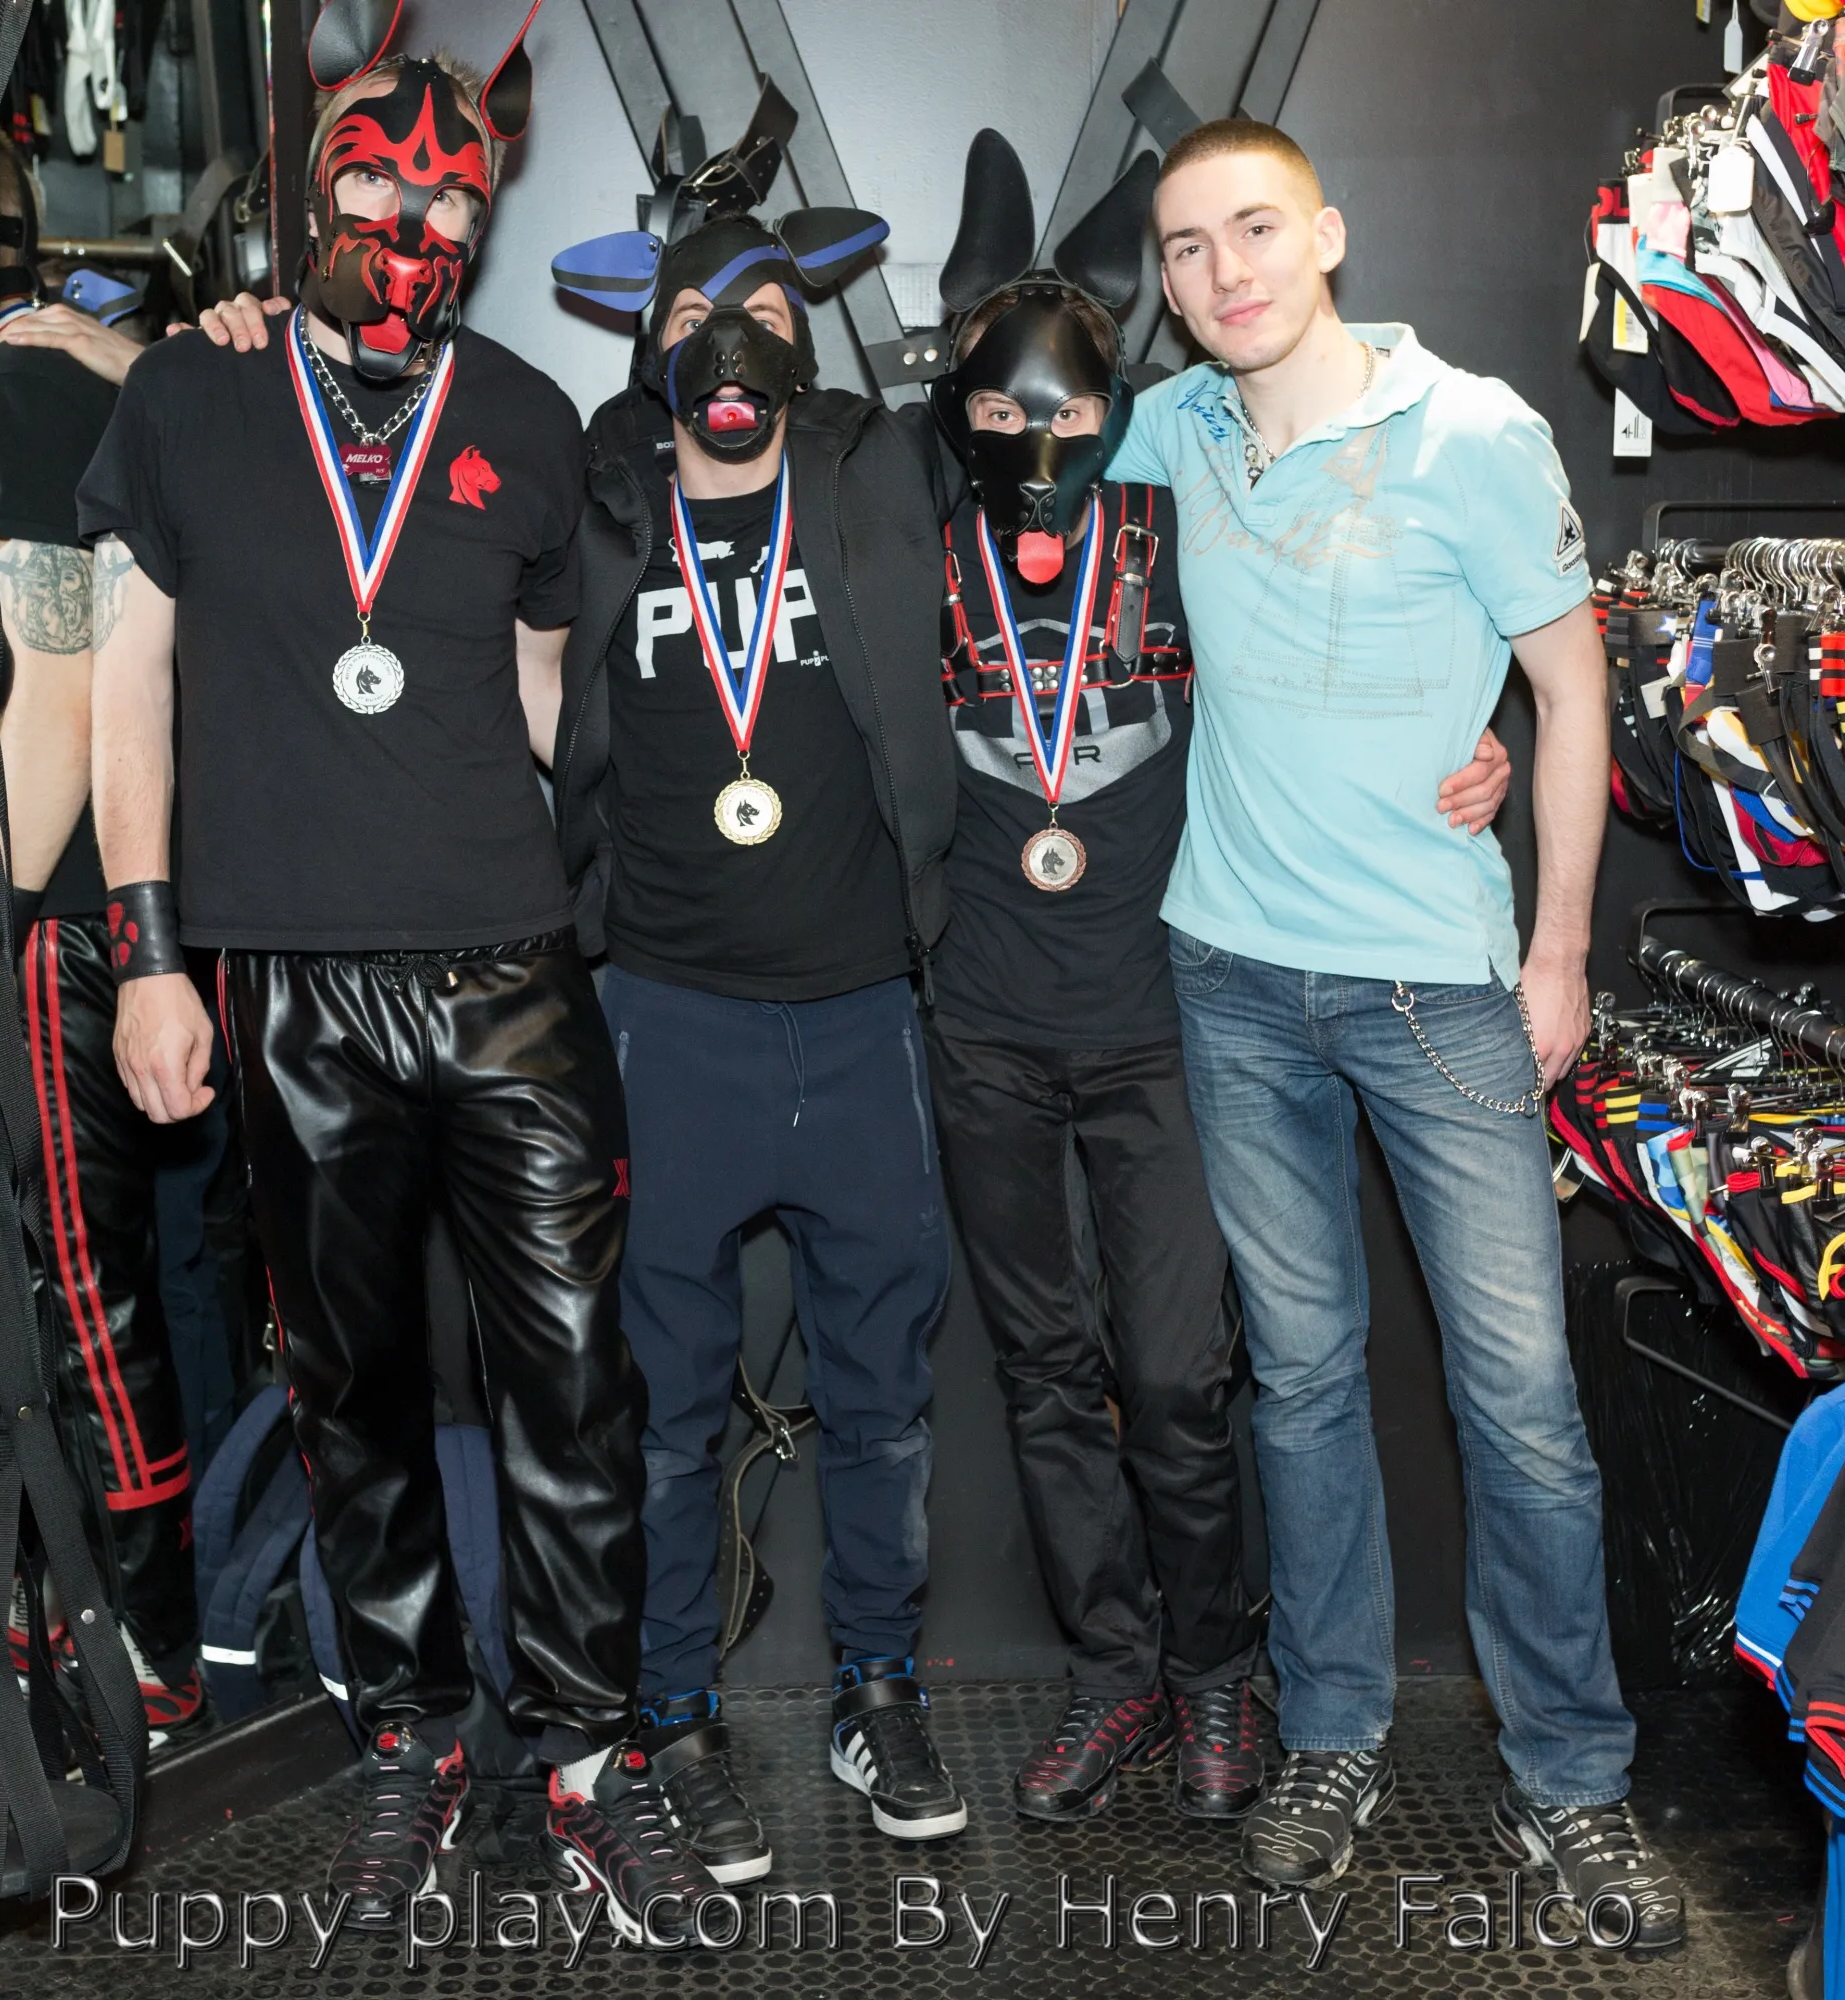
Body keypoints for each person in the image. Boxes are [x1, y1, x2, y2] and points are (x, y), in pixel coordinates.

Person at [82, 25, 714, 1938]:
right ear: (314, 177)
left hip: (512, 973)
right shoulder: (191, 397)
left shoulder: (523, 410)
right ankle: (414, 1741)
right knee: (349, 1388)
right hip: (292, 985)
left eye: (453, 198)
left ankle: (592, 1761)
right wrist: (150, 958)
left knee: (577, 1379)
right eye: (376, 178)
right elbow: (126, 694)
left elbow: (545, 701)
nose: (413, 221)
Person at [1101, 117, 1685, 1944]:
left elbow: (1571, 688)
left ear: (1329, 232)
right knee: (1301, 1383)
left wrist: (1560, 950)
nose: (1224, 273)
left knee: (1521, 1401)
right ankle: (1336, 1736)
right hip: (1230, 979)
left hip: (1439, 988)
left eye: (1254, 229)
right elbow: (996, 475)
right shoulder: (1172, 431)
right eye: (1187, 249)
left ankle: (1571, 1780)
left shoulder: (1476, 434)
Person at [923, 131, 1509, 1828]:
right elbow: (695, 446)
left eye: (1070, 411)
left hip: (1162, 1019)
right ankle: (1113, 1673)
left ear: (1123, 406)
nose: (1036, 441)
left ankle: (1214, 1673)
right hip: (982, 1025)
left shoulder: (1182, 504)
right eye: (999, 410)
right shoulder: (904, 521)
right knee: (1043, 1374)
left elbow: (1362, 615)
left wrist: (1471, 735)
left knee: (1183, 1376)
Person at [546, 192, 967, 1877]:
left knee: (884, 1398)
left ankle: (879, 1689)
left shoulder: (877, 479)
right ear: (647, 347)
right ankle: (673, 1716)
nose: (728, 348)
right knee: (664, 1414)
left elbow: (1075, 441)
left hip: (860, 1012)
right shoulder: (594, 502)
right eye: (690, 318)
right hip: (669, 1019)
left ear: (808, 343)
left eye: (766, 316)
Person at [0, 132, 207, 1742]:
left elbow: (64, 698)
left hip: (32, 918)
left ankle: (149, 1629)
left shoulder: (30, 380)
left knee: (81, 1291)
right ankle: (30, 1593)